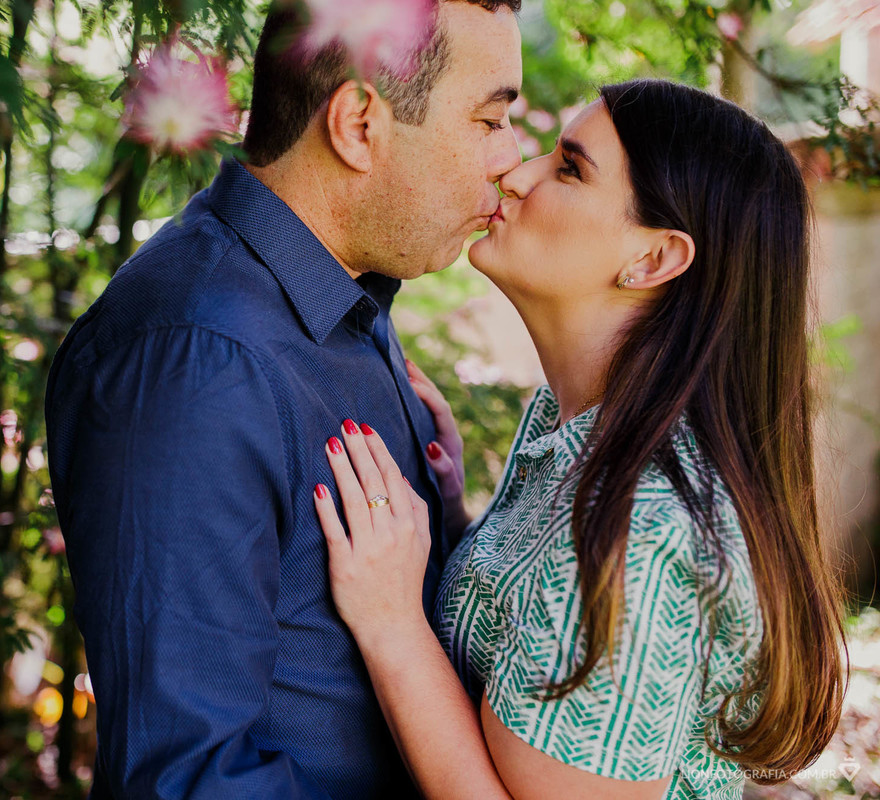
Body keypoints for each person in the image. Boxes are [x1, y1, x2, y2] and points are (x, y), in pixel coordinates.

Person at [314, 79, 846, 800]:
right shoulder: (577, 431)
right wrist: (455, 522)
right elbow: (534, 635)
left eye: (569, 168)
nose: (515, 173)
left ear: (653, 259)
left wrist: (391, 623)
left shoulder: (638, 530)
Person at [43, 1, 523, 796]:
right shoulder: (196, 358)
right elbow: (187, 779)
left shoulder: (341, 297)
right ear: (359, 125)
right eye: (489, 119)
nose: (511, 159)